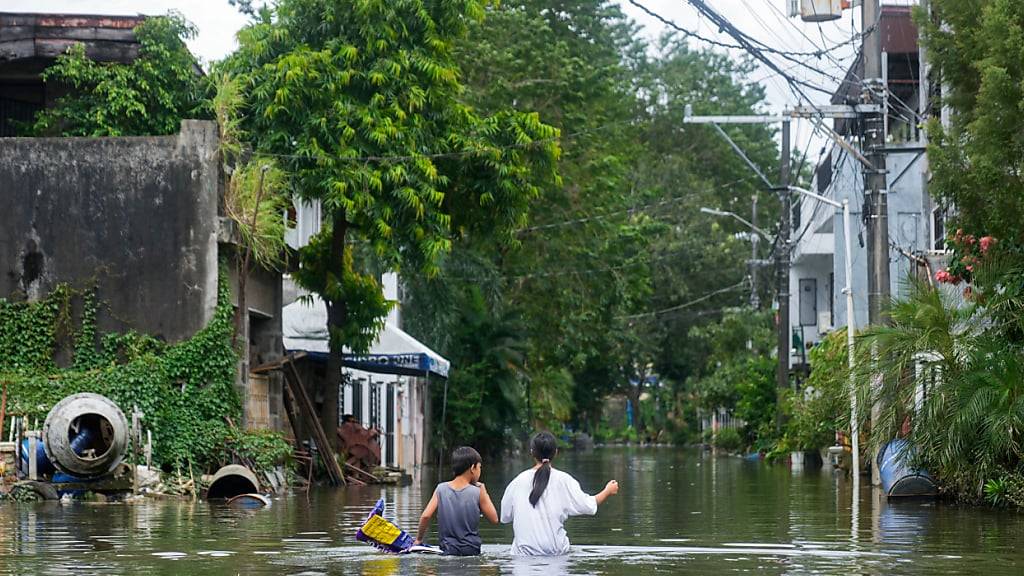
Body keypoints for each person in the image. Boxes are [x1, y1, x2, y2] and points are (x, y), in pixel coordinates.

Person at [500, 431, 619, 556]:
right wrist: (607, 491)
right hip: (556, 555)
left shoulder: (517, 482)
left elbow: (505, 517)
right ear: (556, 452)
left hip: (522, 557)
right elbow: (588, 505)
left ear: (532, 452)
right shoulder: (564, 480)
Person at [414, 446, 499, 556]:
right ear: (473, 468)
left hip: (447, 550)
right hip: (471, 551)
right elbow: (494, 519)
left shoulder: (441, 489)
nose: (480, 471)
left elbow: (425, 516)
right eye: (479, 467)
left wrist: (418, 540)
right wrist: (484, 490)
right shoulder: (478, 491)